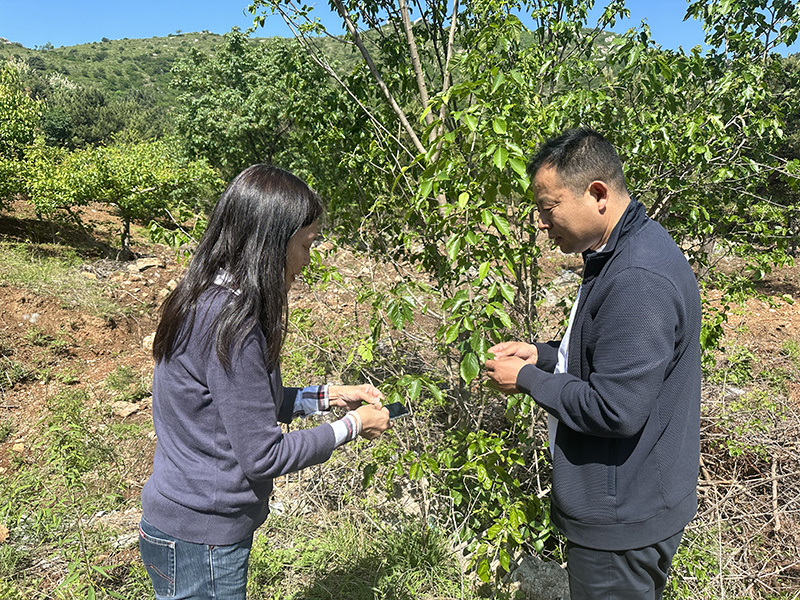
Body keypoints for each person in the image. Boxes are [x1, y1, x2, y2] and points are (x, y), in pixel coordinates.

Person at [138, 164, 391, 600]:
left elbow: (246, 405)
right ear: (273, 243)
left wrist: (330, 396)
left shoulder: (204, 296)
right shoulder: (230, 326)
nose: (307, 261)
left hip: (183, 524)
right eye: (306, 244)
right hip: (203, 539)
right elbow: (263, 456)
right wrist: (353, 426)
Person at [485, 128, 701, 599]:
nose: (542, 223)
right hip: (628, 499)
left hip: (623, 517)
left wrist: (527, 379)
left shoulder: (638, 277)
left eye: (548, 207)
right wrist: (542, 354)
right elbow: (612, 356)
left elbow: (615, 408)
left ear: (597, 194)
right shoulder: (617, 250)